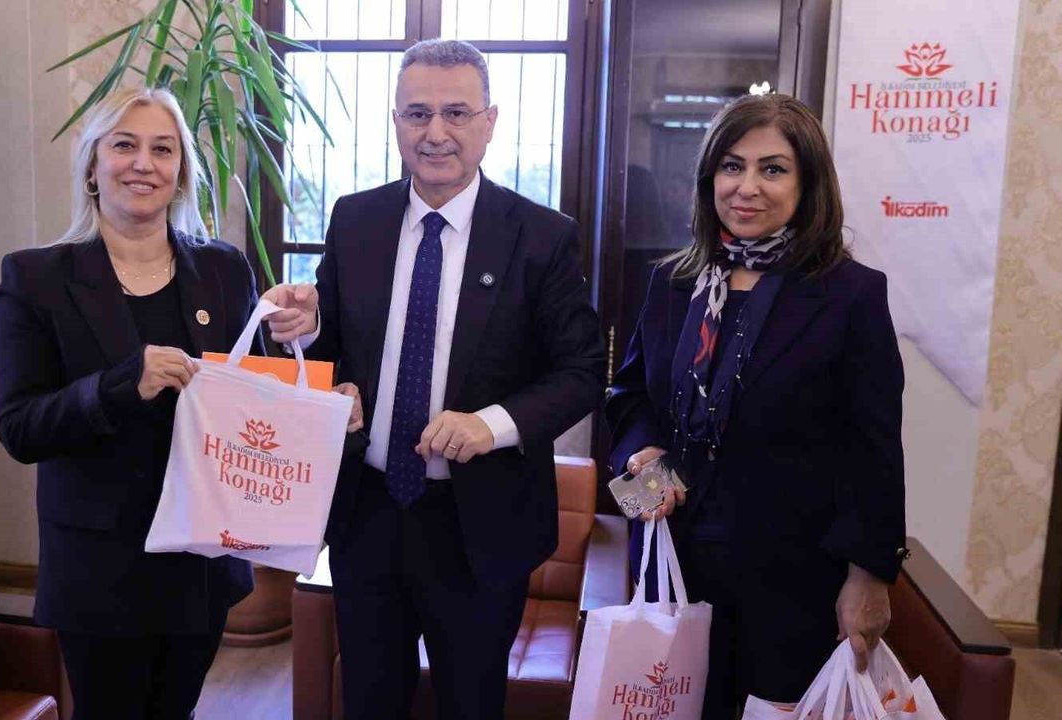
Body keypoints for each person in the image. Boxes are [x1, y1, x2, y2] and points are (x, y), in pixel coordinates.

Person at [0, 87, 360, 719]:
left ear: (181, 172)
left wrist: (327, 403)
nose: (144, 163)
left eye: (163, 150)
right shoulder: (36, 278)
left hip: (200, 566)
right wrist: (119, 385)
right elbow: (19, 428)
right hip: (99, 568)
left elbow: (254, 399)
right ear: (93, 166)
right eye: (124, 145)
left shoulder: (223, 269)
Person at [269, 39, 605, 719]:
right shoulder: (355, 218)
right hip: (368, 514)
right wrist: (308, 332)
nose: (436, 133)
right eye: (418, 114)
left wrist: (490, 425)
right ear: (396, 121)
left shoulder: (541, 236)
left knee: (470, 704)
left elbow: (582, 370)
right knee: (368, 702)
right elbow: (332, 353)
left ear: (490, 121)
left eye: (456, 113)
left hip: (480, 524)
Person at [606, 92, 906, 717]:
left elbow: (873, 447)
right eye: (731, 166)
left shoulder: (851, 295)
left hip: (791, 584)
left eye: (773, 169)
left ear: (808, 183)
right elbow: (630, 397)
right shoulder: (673, 282)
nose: (747, 187)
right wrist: (642, 459)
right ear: (709, 177)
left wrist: (870, 576)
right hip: (672, 564)